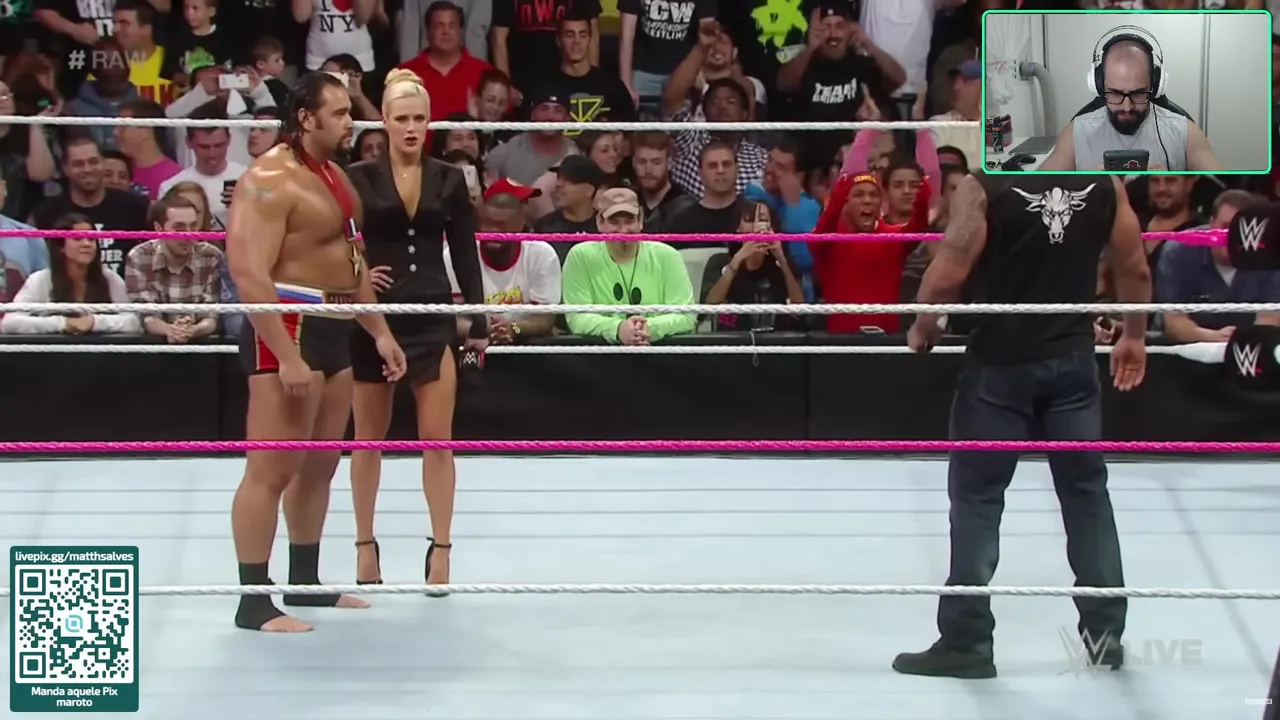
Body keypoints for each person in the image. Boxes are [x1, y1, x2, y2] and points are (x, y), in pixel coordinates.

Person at [893, 173, 1152, 678]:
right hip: (1072, 363)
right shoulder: (1103, 184)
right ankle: (1105, 638)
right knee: (1086, 497)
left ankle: (967, 642)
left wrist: (924, 325)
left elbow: (949, 271)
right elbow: (1134, 266)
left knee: (978, 500)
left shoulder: (985, 186)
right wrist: (1135, 336)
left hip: (1000, 367)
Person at [226, 72, 407, 633]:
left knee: (320, 466)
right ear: (306, 118)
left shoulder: (333, 176)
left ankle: (304, 581)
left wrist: (379, 330)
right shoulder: (268, 180)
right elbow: (249, 273)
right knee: (271, 468)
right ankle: (253, 602)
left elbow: (353, 259)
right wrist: (285, 354)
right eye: (339, 113)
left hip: (334, 325)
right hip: (289, 323)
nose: (351, 122)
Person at [345, 69, 489, 588]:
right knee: (368, 439)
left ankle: (442, 548)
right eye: (402, 118)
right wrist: (360, 272)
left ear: (430, 123)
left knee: (438, 439)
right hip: (375, 316)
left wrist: (479, 319)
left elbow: (465, 252)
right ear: (383, 120)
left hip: (431, 314)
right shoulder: (357, 177)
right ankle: (365, 546)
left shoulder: (449, 178)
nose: (411, 128)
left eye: (419, 119)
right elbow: (338, 240)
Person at [1039, 30, 1222, 172]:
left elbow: (1220, 190)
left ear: (1155, 85)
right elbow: (1034, 191)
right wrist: (1086, 185)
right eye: (1115, 93)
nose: (1127, 107)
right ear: (1098, 85)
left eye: (1138, 94)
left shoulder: (1185, 133)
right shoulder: (1076, 133)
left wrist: (1176, 184)